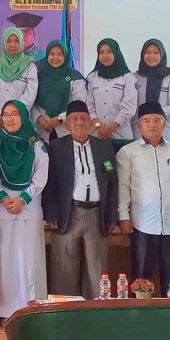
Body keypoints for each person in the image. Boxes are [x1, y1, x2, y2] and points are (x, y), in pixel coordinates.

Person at [117, 102, 170, 297]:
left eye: (156, 120)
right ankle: (139, 315)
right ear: (139, 125)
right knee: (141, 282)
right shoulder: (128, 152)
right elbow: (123, 187)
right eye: (146, 121)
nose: (152, 124)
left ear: (164, 124)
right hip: (142, 226)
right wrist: (123, 215)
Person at [44, 100, 118, 299]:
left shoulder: (104, 146)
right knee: (64, 269)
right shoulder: (56, 148)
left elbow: (112, 181)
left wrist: (112, 215)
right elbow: (50, 183)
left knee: (97, 270)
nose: (79, 122)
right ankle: (66, 311)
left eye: (84, 118)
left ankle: (96, 311)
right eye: (74, 119)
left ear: (90, 123)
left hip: (97, 214)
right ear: (67, 125)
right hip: (67, 214)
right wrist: (51, 213)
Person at [0, 100, 49, 318]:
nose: (10, 118)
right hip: (1, 209)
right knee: (4, 261)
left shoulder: (36, 144)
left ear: (23, 117)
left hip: (28, 209)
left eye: (15, 114)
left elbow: (41, 176)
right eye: (6, 114)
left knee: (29, 260)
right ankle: (3, 310)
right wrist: (3, 197)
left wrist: (23, 199)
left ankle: (31, 309)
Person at [0, 27, 39, 135]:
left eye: (16, 41)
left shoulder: (30, 66)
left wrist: (15, 115)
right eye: (9, 41)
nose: (12, 45)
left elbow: (30, 94)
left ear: (21, 43)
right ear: (4, 43)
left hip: (19, 121)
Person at [86, 38, 137, 152]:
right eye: (101, 52)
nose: (105, 55)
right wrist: (98, 126)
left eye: (109, 51)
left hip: (121, 137)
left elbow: (129, 107)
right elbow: (89, 105)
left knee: (122, 164)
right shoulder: (92, 77)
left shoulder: (128, 77)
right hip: (97, 135)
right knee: (100, 164)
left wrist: (111, 128)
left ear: (116, 53)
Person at [133, 39, 170, 143]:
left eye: (156, 53)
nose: (151, 56)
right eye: (148, 52)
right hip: (139, 134)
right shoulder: (134, 77)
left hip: (166, 134)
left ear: (162, 55)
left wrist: (157, 112)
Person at [32, 41, 86, 142]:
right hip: (43, 130)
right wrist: (39, 119)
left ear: (66, 56)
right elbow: (33, 101)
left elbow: (79, 105)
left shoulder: (75, 77)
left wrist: (60, 119)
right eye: (52, 54)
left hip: (67, 131)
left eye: (60, 54)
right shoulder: (39, 77)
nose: (55, 57)